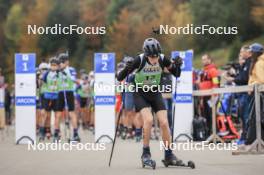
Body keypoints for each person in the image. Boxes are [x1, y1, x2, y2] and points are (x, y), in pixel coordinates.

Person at [117, 38, 183, 167]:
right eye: (152, 57)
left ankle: (168, 155)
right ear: (146, 55)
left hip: (155, 92)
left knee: (164, 122)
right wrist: (127, 68)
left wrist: (178, 66)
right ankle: (145, 154)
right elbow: (119, 77)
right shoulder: (139, 60)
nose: (154, 59)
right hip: (140, 92)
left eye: (156, 56)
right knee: (148, 120)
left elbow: (176, 74)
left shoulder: (163, 59)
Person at [224, 45, 252, 144]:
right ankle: (245, 138)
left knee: (246, 117)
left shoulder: (249, 63)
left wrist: (232, 79)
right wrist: (233, 76)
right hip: (241, 94)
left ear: (247, 52)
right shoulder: (244, 65)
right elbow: (240, 77)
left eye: (241, 52)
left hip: (245, 94)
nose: (240, 55)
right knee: (242, 117)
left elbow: (243, 79)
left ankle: (246, 139)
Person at [56, 53, 80, 142]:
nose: (61, 63)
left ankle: (75, 133)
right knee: (58, 114)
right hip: (60, 92)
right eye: (60, 62)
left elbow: (73, 79)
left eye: (63, 62)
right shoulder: (57, 70)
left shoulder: (70, 69)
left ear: (67, 62)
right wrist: (59, 71)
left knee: (71, 113)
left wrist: (65, 72)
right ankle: (56, 133)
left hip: (69, 92)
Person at [196, 54, 219, 135]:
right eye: (203, 60)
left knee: (212, 115)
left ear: (209, 60)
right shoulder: (203, 71)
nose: (204, 61)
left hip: (211, 96)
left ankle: (215, 133)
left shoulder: (213, 70)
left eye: (205, 59)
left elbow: (216, 83)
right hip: (204, 96)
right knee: (206, 116)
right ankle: (209, 134)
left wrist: (214, 95)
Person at [246, 43, 264, 145]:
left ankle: (253, 141)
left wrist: (252, 85)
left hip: (259, 94)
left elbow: (261, 80)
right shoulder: (258, 62)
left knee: (256, 118)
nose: (250, 54)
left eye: (251, 52)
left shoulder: (259, 64)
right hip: (257, 93)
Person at [39, 57, 60, 141]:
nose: (53, 67)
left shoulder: (60, 73)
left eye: (55, 65)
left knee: (57, 115)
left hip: (57, 96)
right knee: (45, 114)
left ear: (58, 66)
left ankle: (56, 133)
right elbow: (41, 84)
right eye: (52, 65)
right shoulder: (46, 73)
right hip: (46, 96)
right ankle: (42, 132)